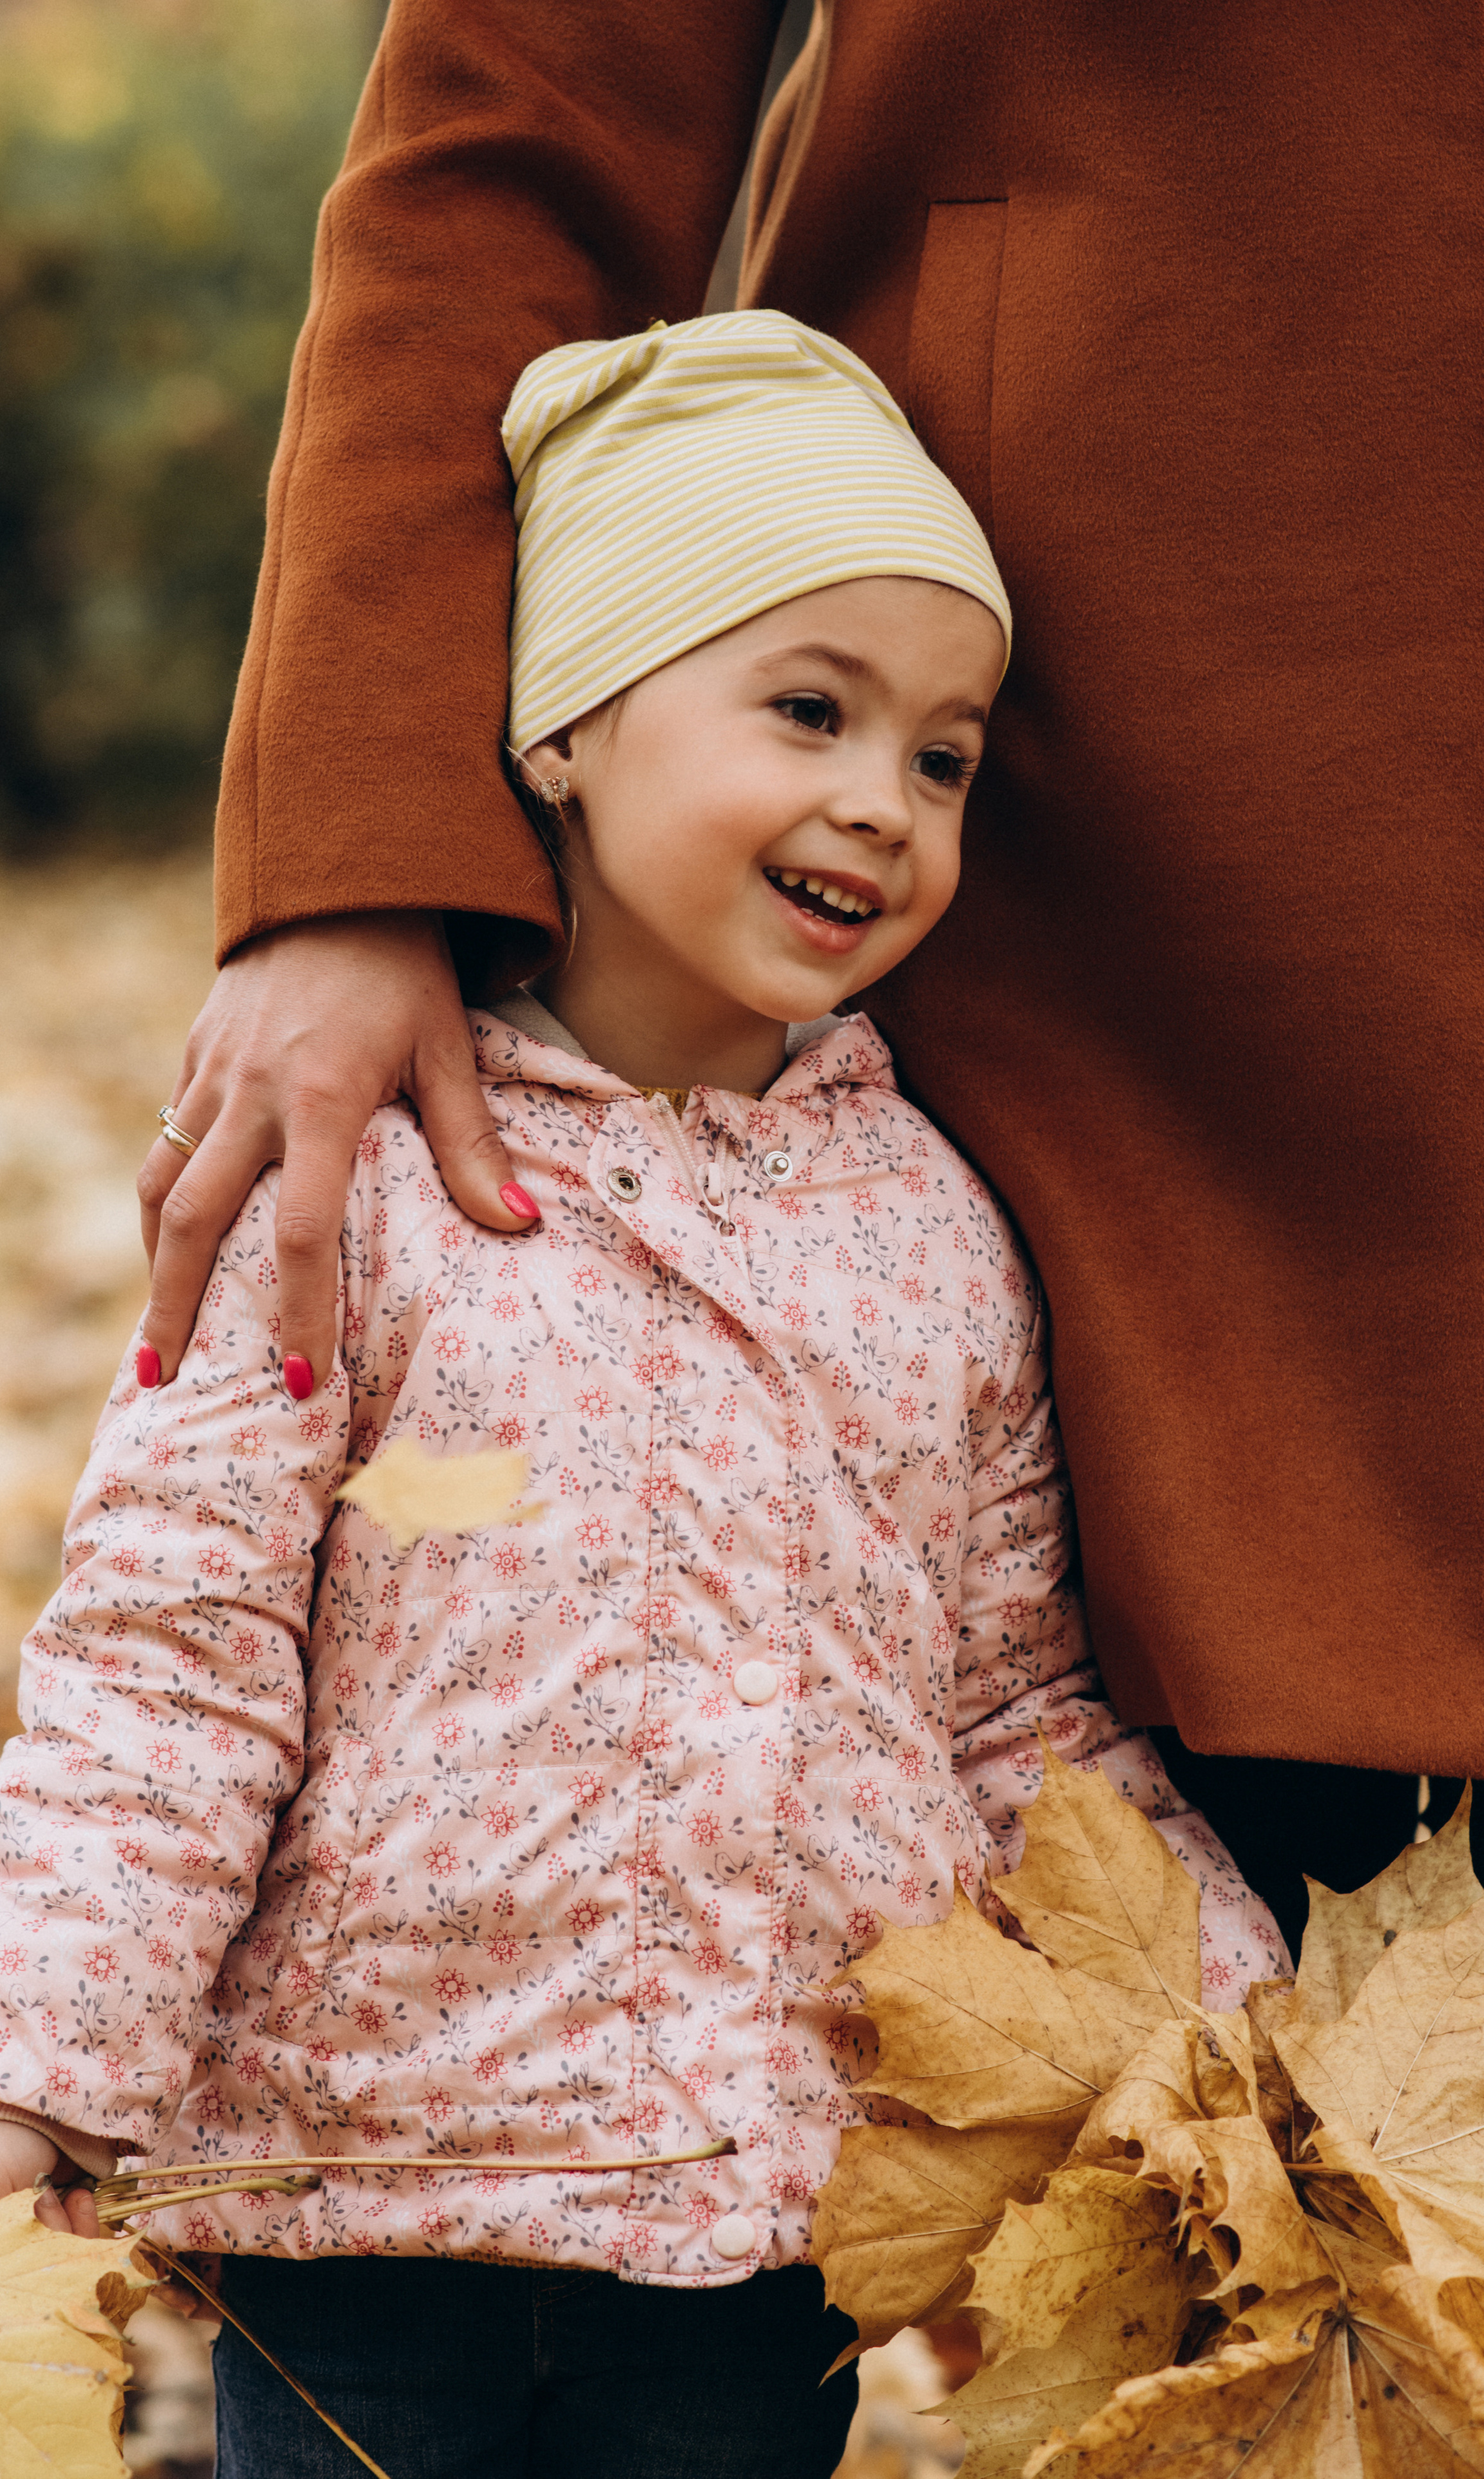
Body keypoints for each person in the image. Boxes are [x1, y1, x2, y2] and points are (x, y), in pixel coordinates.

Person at [0, 315, 1283, 2479]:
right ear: (564, 729)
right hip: (364, 2199)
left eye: (942, 756)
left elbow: (1010, 1700)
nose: (879, 800)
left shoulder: (935, 1230)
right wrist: (27, 2066)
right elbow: (172, 1657)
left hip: (749, 2192)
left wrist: (1230, 2003)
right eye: (808, 709)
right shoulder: (358, 1186)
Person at [129, 1, 1484, 1956]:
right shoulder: (681, 1205)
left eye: (900, 759)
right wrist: (357, 851)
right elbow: (524, 105)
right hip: (1106, 875)